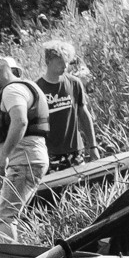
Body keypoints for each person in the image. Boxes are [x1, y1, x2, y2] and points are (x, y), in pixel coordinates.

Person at [0, 53, 50, 242]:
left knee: (5, 216)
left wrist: (3, 156)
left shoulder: (12, 91)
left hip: (24, 160)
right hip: (31, 158)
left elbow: (20, 121)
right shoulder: (25, 86)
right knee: (8, 214)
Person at [35, 40, 98, 172]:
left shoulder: (74, 83)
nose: (64, 66)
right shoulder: (37, 89)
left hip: (75, 151)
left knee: (81, 187)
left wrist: (93, 146)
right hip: (50, 154)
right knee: (57, 191)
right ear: (48, 61)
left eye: (67, 61)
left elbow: (84, 114)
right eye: (60, 62)